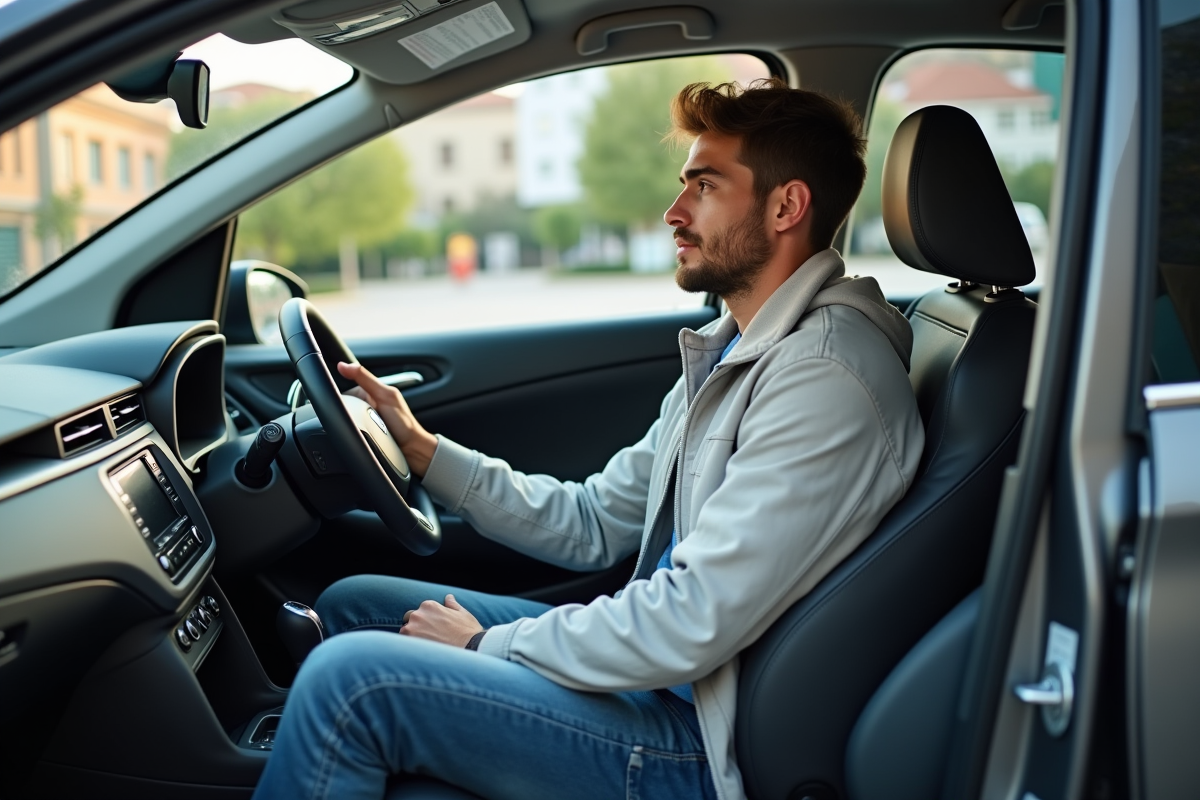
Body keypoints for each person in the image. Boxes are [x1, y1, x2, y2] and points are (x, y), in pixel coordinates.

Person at [252, 77, 924, 800]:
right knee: (360, 607)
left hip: (699, 741)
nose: (674, 211)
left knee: (350, 684)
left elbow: (694, 620)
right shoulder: (743, 348)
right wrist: (423, 452)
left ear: (786, 205)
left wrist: (484, 645)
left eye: (704, 185)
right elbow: (597, 519)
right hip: (675, 683)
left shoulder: (823, 379)